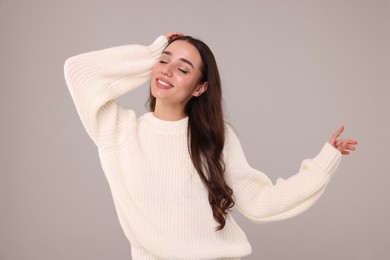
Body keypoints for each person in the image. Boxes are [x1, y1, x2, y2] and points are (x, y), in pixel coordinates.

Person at [64, 32, 357, 260]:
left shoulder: (215, 138)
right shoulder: (120, 131)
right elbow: (78, 71)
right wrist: (155, 50)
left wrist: (323, 164)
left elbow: (260, 202)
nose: (166, 72)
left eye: (183, 69)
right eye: (164, 62)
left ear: (200, 88)